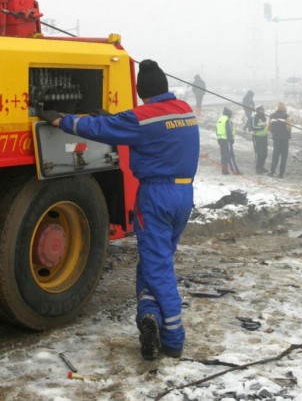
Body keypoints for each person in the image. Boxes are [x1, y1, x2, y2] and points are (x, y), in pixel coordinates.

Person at [37, 59, 200, 362]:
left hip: (156, 196)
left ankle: (174, 337)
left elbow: (97, 128)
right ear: (164, 87)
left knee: (158, 267)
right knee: (155, 262)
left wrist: (61, 120)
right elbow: (152, 132)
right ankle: (149, 315)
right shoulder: (185, 111)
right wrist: (119, 120)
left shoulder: (140, 118)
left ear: (141, 93)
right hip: (184, 194)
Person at [268, 102, 291, 178]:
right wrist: (288, 133)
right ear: (284, 108)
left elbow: (269, 127)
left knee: (275, 155)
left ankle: (272, 171)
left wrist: (274, 132)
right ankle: (281, 174)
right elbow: (288, 127)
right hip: (284, 139)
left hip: (276, 138)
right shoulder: (286, 116)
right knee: (284, 156)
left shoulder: (272, 116)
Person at [216, 107, 241, 175]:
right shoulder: (227, 120)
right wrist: (231, 139)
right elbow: (229, 131)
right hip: (227, 140)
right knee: (230, 155)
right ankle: (235, 170)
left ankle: (224, 170)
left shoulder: (219, 120)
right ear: (228, 114)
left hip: (220, 139)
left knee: (223, 155)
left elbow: (217, 130)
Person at [252, 105, 268, 174]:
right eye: (262, 110)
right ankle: (258, 168)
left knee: (264, 153)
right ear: (258, 110)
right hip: (257, 137)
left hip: (264, 137)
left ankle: (262, 166)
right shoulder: (254, 118)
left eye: (263, 110)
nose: (263, 111)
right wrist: (261, 128)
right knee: (259, 153)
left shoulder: (264, 117)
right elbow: (253, 127)